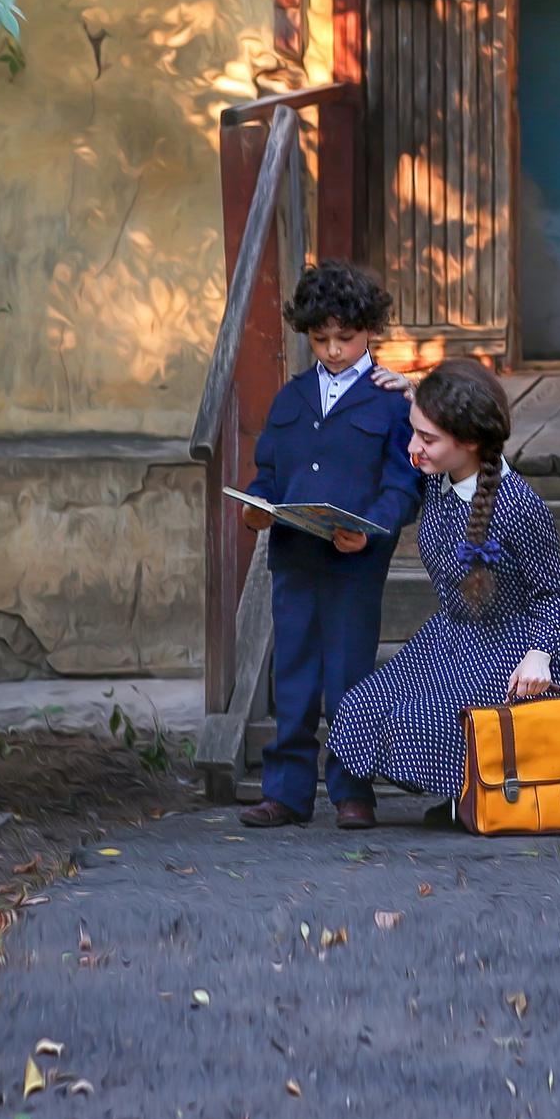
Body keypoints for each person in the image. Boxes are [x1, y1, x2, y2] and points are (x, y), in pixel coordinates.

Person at [323, 357, 560, 822]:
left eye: (427, 438)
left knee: (421, 720)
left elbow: (553, 596)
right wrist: (416, 390)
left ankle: (479, 792)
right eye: (414, 431)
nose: (412, 448)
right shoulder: (436, 480)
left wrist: (541, 656)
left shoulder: (520, 508)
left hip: (514, 653)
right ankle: (466, 793)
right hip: (452, 639)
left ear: (469, 443)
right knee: (362, 708)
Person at [236, 261, 423, 831]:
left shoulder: (392, 402)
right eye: (321, 339)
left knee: (349, 676)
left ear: (370, 329)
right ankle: (287, 793)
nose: (334, 350)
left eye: (345, 337)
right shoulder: (290, 400)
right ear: (306, 334)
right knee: (291, 674)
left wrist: (370, 528)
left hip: (355, 564)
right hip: (293, 557)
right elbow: (267, 473)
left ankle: (352, 792)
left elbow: (403, 483)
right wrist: (254, 508)